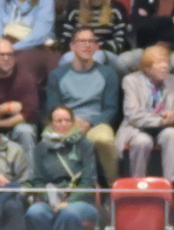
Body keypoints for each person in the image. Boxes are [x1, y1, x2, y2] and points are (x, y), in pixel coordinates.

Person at [45, 25, 119, 184]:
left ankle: (113, 186)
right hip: (67, 121)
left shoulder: (108, 73)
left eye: (91, 41)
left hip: (96, 123)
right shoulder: (57, 75)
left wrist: (90, 123)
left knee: (104, 139)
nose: (87, 45)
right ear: (72, 46)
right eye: (82, 41)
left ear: (96, 47)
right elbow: (52, 108)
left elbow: (111, 108)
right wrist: (70, 122)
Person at [27, 105, 99, 230]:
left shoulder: (84, 145)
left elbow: (88, 181)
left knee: (68, 213)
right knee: (34, 212)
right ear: (51, 123)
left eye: (67, 120)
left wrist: (68, 202)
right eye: (59, 121)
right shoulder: (41, 148)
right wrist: (50, 200)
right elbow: (38, 180)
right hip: (52, 199)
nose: (64, 124)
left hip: (80, 200)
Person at [115, 44, 174, 181]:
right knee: (142, 141)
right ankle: (138, 183)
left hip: (165, 128)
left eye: (167, 62)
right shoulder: (131, 81)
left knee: (172, 134)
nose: (165, 66)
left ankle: (172, 183)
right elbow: (133, 115)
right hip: (137, 128)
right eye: (159, 63)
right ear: (147, 67)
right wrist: (159, 120)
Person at [57, 0, 130, 72]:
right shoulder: (74, 9)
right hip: (80, 51)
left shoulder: (116, 9)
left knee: (96, 57)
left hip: (107, 54)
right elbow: (66, 41)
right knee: (65, 59)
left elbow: (120, 44)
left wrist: (95, 47)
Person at [0, 0, 56, 79]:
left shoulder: (45, 1)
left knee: (20, 61)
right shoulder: (3, 1)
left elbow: (39, 34)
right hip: (5, 44)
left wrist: (12, 49)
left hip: (34, 46)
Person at [0, 35, 40, 163]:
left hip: (19, 126)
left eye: (10, 55)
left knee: (25, 131)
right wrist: (6, 108)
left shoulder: (25, 77)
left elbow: (29, 114)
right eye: (2, 55)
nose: (6, 58)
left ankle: (29, 179)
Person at [0, 128, 28, 230]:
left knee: (14, 207)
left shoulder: (14, 150)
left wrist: (7, 184)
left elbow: (25, 182)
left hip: (8, 193)